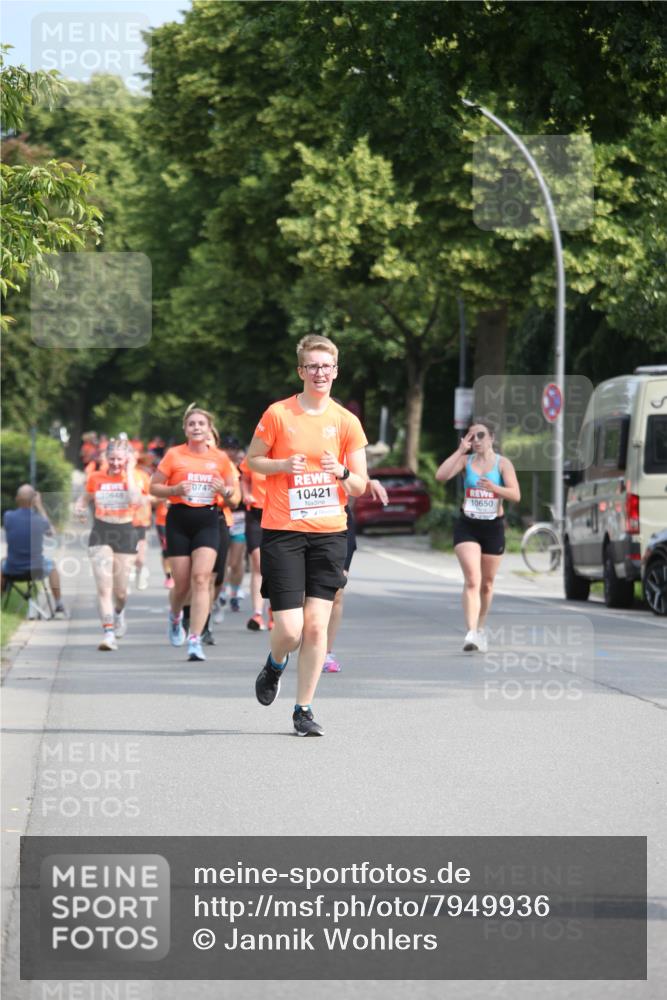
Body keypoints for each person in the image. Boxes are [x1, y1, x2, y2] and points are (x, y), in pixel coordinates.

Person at [246, 334, 368, 736]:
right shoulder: (279, 414)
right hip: (283, 531)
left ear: (336, 371)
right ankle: (275, 663)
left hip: (330, 532)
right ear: (301, 371)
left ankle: (303, 709)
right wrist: (282, 464)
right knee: (290, 630)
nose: (320, 373)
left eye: (326, 366)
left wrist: (342, 472)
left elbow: (361, 485)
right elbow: (253, 461)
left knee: (317, 626)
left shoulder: (346, 422)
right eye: (312, 366)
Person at [150, 404, 239, 662]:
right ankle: (175, 616)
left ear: (209, 428)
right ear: (185, 429)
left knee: (202, 579)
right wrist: (174, 489)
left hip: (209, 519)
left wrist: (224, 491)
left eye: (201, 423)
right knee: (182, 584)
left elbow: (233, 499)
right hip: (178, 519)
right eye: (192, 424)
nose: (197, 427)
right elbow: (153, 487)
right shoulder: (174, 455)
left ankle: (195, 639)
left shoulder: (220, 458)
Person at [436, 419, 520, 652]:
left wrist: (495, 489)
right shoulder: (465, 460)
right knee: (473, 579)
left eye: (481, 436)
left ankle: (480, 627)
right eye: (471, 437)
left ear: (492, 438)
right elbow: (441, 476)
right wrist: (460, 450)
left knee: (487, 584)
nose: (476, 441)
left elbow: (516, 494)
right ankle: (471, 632)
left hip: (493, 526)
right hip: (468, 526)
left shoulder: (503, 464)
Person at [77, 439, 145, 650]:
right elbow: (85, 498)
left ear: (127, 459)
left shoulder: (135, 477)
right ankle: (108, 633)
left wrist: (131, 471)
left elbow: (135, 500)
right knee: (104, 588)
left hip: (125, 531)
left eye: (120, 459)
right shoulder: (95, 477)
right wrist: (79, 508)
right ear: (106, 458)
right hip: (101, 531)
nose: (115, 463)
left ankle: (118, 613)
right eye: (112, 458)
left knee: (121, 592)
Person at [322, 478, 389, 672]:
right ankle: (298, 636)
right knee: (305, 595)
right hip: (305, 523)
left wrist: (371, 482)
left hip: (340, 522)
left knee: (337, 591)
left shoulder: (348, 449)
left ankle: (325, 652)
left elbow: (358, 484)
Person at [1, 485, 66, 615]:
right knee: (52, 566)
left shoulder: (8, 517)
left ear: (17, 499)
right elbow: (51, 533)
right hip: (36, 569)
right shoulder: (39, 519)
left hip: (13, 569)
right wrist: (40, 506)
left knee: (2, 563)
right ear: (33, 500)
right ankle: (58, 604)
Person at [239, 455, 270, 630]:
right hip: (255, 514)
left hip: (278, 514)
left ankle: (276, 610)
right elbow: (245, 480)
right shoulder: (252, 458)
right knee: (258, 564)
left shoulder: (286, 454)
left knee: (276, 565)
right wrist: (246, 494)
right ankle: (258, 614)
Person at [131, 453, 154, 590]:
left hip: (141, 520)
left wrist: (145, 499)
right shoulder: (118, 476)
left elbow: (152, 494)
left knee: (139, 558)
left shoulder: (142, 476)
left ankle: (140, 570)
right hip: (122, 520)